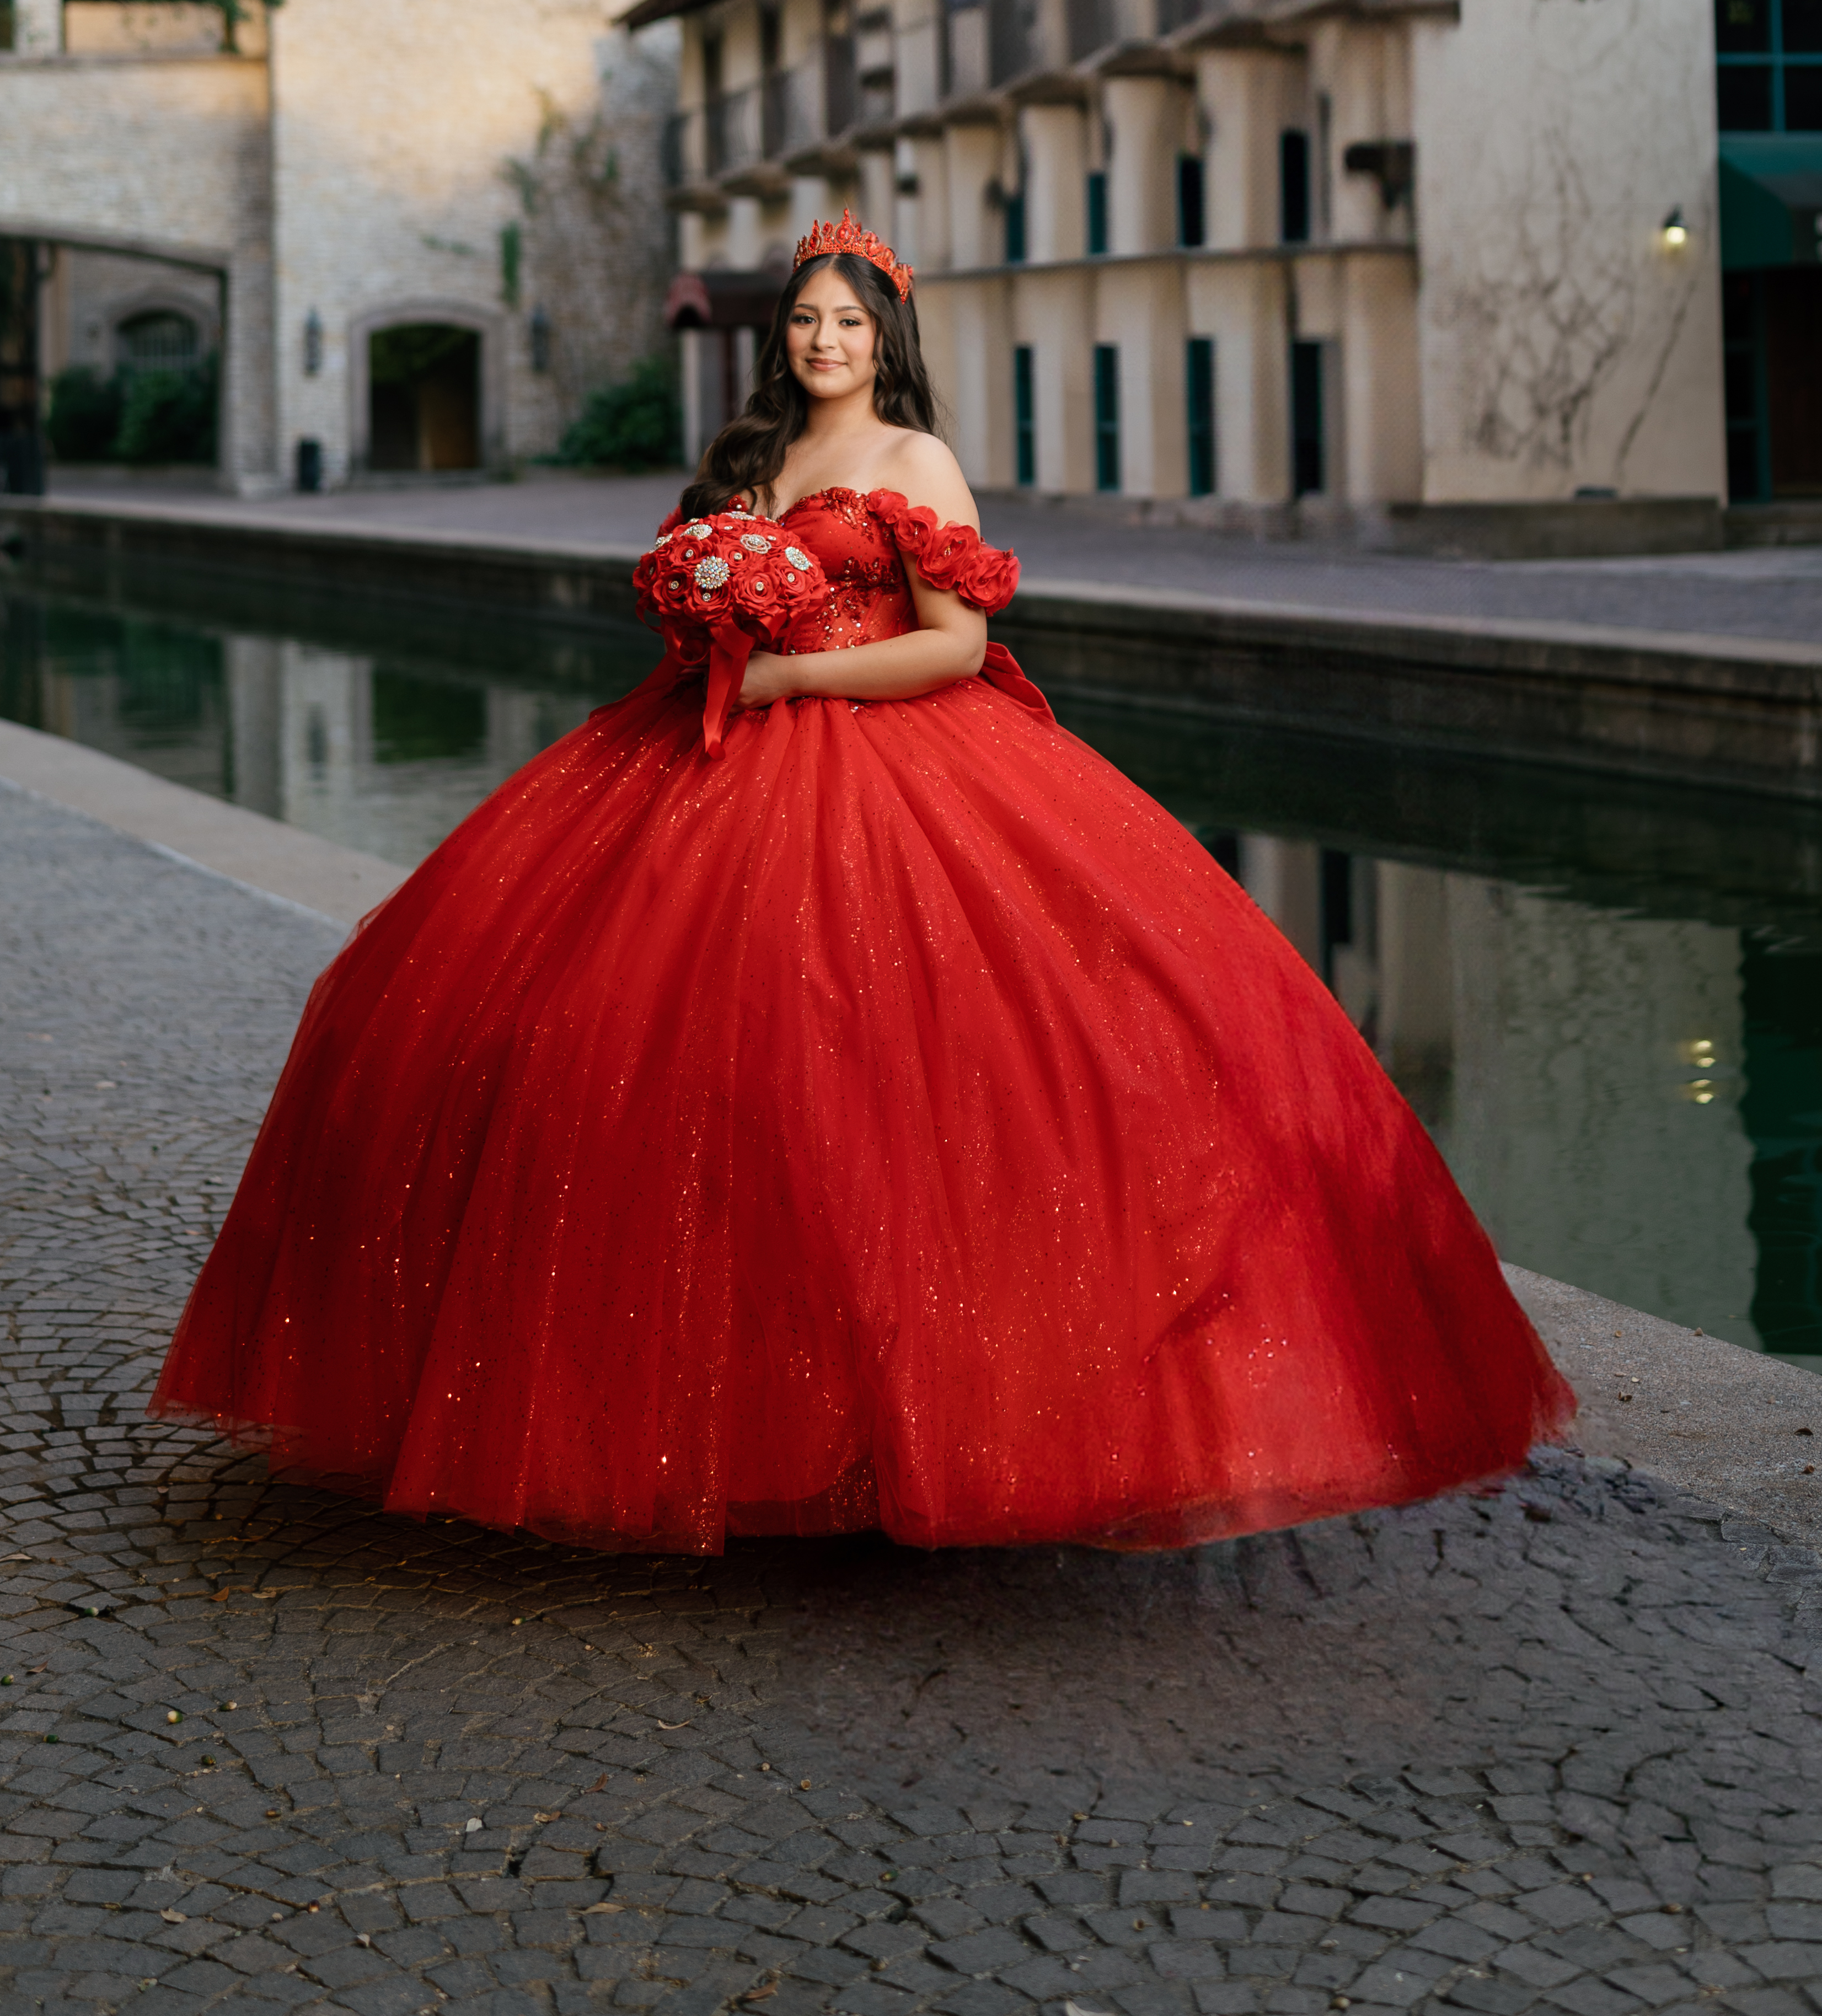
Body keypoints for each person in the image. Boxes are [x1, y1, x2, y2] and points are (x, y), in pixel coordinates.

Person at [154, 213, 1571, 1552]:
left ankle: (904, 1431)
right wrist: (707, 622)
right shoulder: (740, 464)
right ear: (779, 337)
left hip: (883, 765)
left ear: (884, 338)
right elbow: (681, 602)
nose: (823, 341)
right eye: (805, 321)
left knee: (892, 1082)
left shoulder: (913, 462)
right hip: (701, 762)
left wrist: (785, 673)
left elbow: (952, 648)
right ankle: (721, 1416)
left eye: (847, 322)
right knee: (600, 1049)